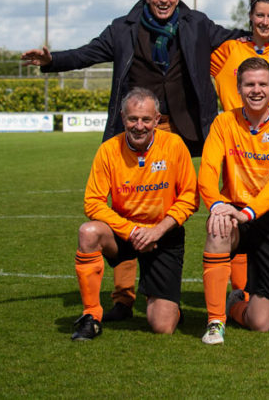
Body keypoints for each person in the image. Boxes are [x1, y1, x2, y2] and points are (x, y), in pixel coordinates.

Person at [24, 0, 243, 322]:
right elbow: (86, 54)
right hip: (135, 125)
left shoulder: (197, 23)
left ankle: (162, 273)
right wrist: (52, 61)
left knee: (168, 199)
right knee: (126, 203)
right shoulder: (122, 29)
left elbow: (237, 37)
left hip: (179, 128)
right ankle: (123, 298)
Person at [71, 87, 197, 340]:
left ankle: (166, 304)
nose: (139, 126)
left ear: (157, 120)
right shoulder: (108, 150)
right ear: (122, 117)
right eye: (133, 119)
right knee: (88, 232)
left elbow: (190, 197)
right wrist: (132, 231)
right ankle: (91, 316)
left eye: (146, 120)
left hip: (163, 234)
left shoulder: (174, 145)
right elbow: (93, 202)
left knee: (163, 326)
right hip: (125, 233)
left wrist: (157, 231)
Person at [197, 57, 269, 344]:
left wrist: (251, 212)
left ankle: (233, 305)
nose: (256, 90)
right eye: (250, 84)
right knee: (217, 227)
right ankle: (215, 321)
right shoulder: (224, 122)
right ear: (239, 89)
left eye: (262, 84)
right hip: (233, 212)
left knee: (261, 322)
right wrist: (218, 205)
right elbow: (207, 170)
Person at [210, 0, 269, 299]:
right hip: (240, 148)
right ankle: (241, 290)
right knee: (237, 217)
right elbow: (196, 71)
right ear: (249, 18)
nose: (265, 21)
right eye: (259, 15)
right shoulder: (229, 50)